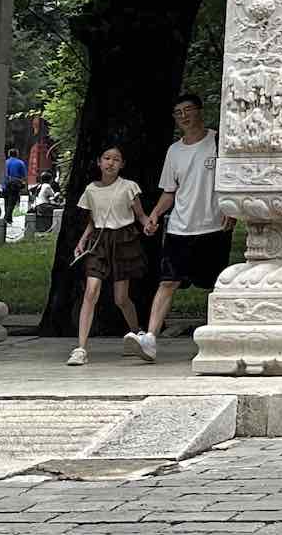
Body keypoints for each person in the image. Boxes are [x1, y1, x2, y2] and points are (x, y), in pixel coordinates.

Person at [136, 94, 224, 354]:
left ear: (200, 111)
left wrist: (231, 209)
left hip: (213, 225)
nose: (184, 116)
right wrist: (154, 214)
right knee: (168, 282)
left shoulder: (218, 141)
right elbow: (170, 191)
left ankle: (220, 338)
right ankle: (150, 338)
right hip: (179, 228)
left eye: (188, 110)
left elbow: (232, 179)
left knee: (217, 284)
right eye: (178, 113)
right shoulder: (174, 151)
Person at [63, 145, 153, 366]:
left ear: (122, 164)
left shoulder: (129, 187)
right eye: (107, 158)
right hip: (99, 243)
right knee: (91, 291)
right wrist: (82, 241)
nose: (111, 162)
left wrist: (149, 224)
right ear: (99, 162)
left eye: (116, 159)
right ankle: (81, 348)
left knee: (121, 298)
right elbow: (93, 221)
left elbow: (140, 215)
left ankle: (137, 336)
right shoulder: (91, 190)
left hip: (124, 240)